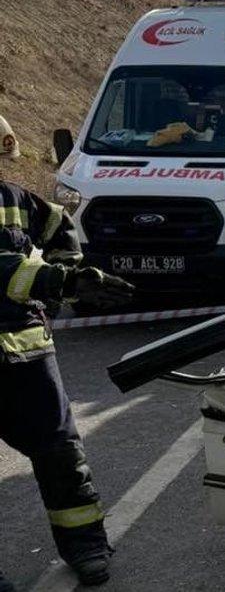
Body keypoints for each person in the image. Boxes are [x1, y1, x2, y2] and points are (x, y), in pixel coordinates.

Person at [0, 115, 136, 589]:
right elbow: (5, 269)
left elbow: (60, 230)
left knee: (61, 455)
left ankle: (86, 545)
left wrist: (74, 272)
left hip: (28, 358)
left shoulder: (14, 199)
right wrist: (64, 282)